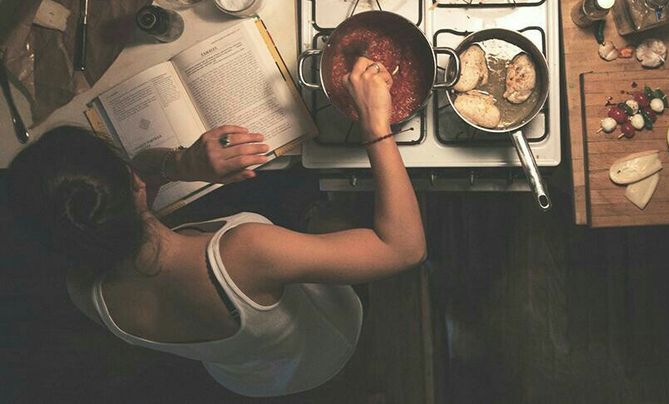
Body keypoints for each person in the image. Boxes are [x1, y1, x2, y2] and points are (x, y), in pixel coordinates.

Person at [6, 56, 426, 398]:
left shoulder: (83, 289)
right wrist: (375, 125)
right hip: (325, 342)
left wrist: (181, 165)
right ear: (135, 186)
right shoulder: (246, 252)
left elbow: (121, 190)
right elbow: (403, 248)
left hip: (255, 374)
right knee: (327, 214)